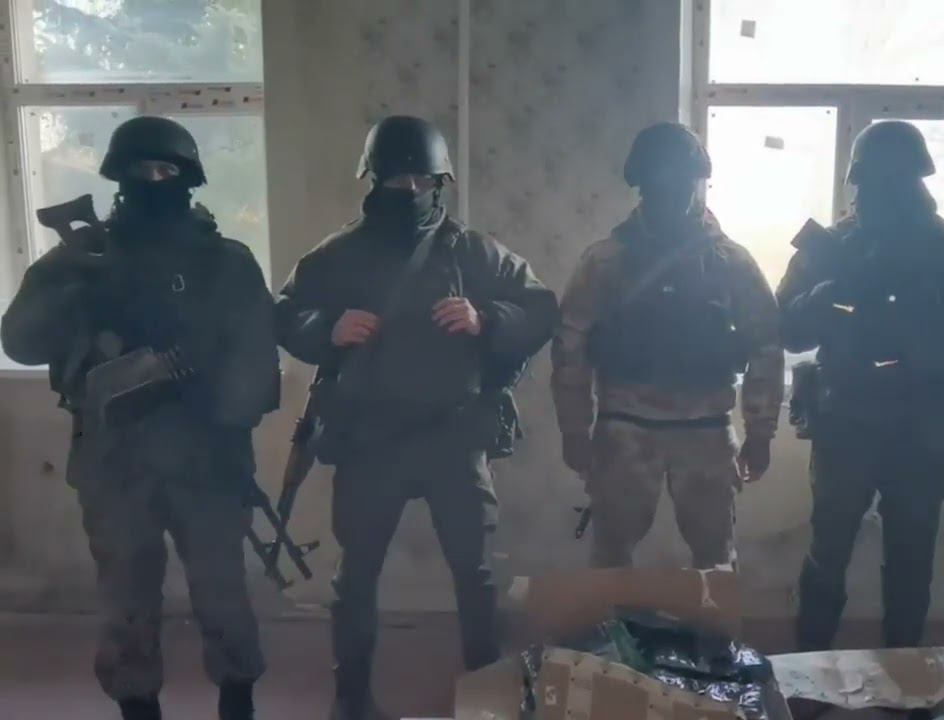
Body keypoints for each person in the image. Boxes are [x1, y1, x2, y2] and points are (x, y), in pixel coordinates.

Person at [274, 116, 557, 720]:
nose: (409, 190)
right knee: (356, 578)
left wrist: (486, 319)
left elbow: (539, 307)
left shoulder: (472, 251)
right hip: (369, 439)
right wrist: (327, 329)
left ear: (439, 182)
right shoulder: (338, 254)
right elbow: (285, 312)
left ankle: (487, 697)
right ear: (372, 179)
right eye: (395, 179)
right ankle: (352, 700)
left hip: (454, 436)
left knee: (476, 575)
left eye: (421, 180)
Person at [0, 117, 280, 720]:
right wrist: (76, 287)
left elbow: (259, 360)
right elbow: (19, 340)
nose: (153, 180)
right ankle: (137, 706)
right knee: (126, 602)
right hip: (116, 459)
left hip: (205, 459)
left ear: (189, 179)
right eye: (139, 170)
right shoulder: (82, 257)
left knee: (223, 596)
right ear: (118, 178)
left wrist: (221, 413)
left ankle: (237, 701)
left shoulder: (225, 262)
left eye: (166, 170)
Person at [779, 121, 944, 654]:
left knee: (911, 558)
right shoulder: (832, 250)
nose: (882, 194)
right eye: (874, 183)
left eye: (895, 183)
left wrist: (921, 315)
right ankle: (810, 667)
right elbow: (787, 330)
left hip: (920, 426)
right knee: (828, 552)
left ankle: (905, 670)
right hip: (846, 423)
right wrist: (828, 297)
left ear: (917, 182)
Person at [552, 122, 784, 570]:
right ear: (641, 186)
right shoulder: (605, 260)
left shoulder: (729, 261)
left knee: (716, 561)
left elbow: (766, 345)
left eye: (680, 184)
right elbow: (570, 346)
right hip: (625, 428)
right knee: (611, 560)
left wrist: (761, 432)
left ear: (699, 182)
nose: (671, 195)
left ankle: (712, 624)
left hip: (706, 429)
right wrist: (573, 429)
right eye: (659, 185)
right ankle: (614, 621)